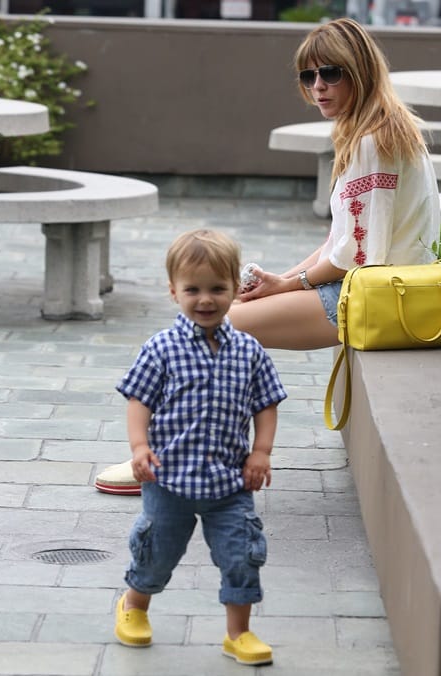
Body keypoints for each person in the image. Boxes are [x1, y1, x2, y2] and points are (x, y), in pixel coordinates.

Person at [95, 17, 440, 491]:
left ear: (360, 71)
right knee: (225, 310)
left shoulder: (373, 141)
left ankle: (166, 461)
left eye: (331, 74)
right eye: (308, 76)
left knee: (212, 330)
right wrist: (279, 281)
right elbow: (338, 242)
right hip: (368, 287)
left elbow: (357, 256)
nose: (319, 87)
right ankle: (191, 450)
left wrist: (293, 285)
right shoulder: (375, 129)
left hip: (371, 296)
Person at [113, 229, 286, 666]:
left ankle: (238, 634)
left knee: (241, 554)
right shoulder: (161, 349)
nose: (205, 299)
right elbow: (139, 400)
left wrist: (261, 451)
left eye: (217, 289)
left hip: (230, 482)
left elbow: (266, 403)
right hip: (167, 479)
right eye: (192, 289)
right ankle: (134, 605)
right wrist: (139, 447)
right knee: (157, 552)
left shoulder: (249, 350)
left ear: (236, 290)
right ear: (174, 291)